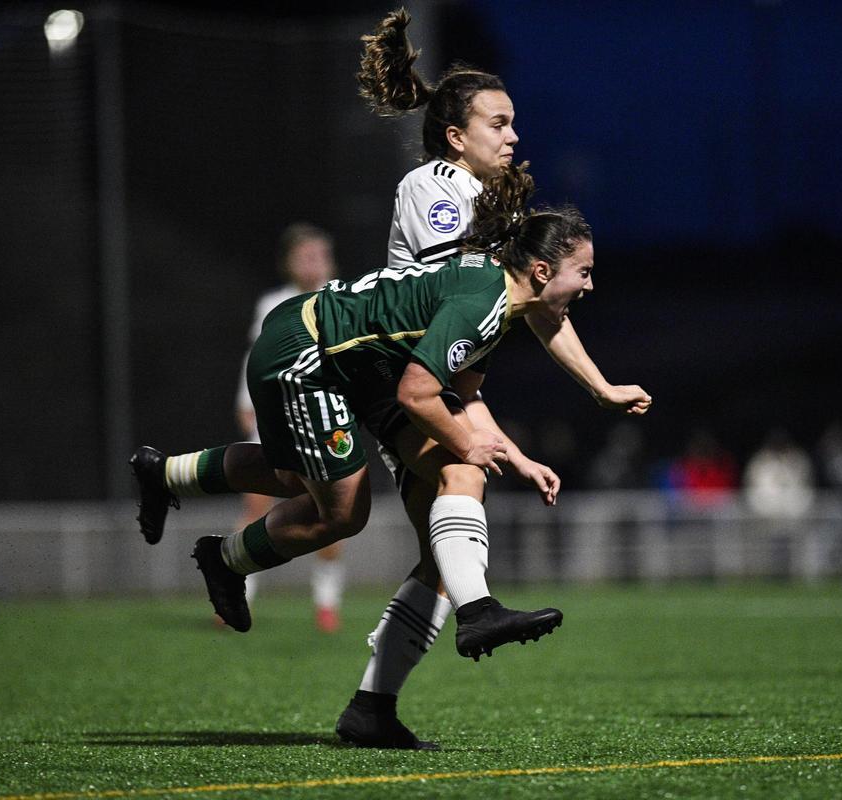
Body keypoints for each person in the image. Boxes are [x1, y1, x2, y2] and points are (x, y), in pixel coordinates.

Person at [129, 164, 643, 750]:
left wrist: (515, 456)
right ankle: (227, 560)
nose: (590, 286)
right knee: (345, 510)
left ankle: (164, 475)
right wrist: (474, 443)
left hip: (350, 364)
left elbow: (461, 396)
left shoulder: (495, 299)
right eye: (585, 273)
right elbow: (419, 393)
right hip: (309, 352)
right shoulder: (483, 297)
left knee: (303, 475)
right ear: (544, 270)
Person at [322, 8, 652, 749]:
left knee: (445, 553)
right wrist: (477, 414)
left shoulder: (491, 208)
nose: (512, 135)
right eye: (498, 124)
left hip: (436, 378)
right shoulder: (437, 187)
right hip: (404, 378)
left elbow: (534, 308)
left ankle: (373, 707)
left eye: (512, 123)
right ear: (456, 137)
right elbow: (462, 299)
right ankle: (476, 617)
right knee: (462, 484)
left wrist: (599, 388)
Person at [233, 223, 344, 633]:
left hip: (325, 418)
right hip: (276, 417)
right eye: (305, 256)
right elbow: (256, 359)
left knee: (334, 511)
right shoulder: (272, 304)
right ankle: (238, 595)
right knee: (254, 509)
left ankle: (327, 603)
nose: (312, 263)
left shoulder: (343, 298)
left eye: (319, 255)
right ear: (289, 263)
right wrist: (245, 403)